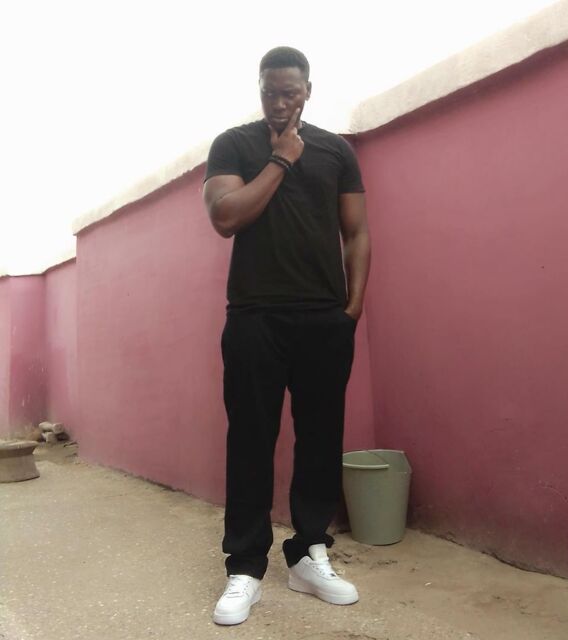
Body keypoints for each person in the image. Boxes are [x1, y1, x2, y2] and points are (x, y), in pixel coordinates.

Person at [202, 46, 371, 626]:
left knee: (321, 438)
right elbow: (226, 217)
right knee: (251, 439)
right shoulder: (233, 145)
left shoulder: (337, 151)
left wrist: (352, 308)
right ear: (260, 90)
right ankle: (246, 566)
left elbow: (357, 232)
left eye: (290, 92)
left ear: (307, 91)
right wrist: (280, 159)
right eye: (270, 92)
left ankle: (308, 554)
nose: (279, 102)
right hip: (255, 317)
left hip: (324, 318)